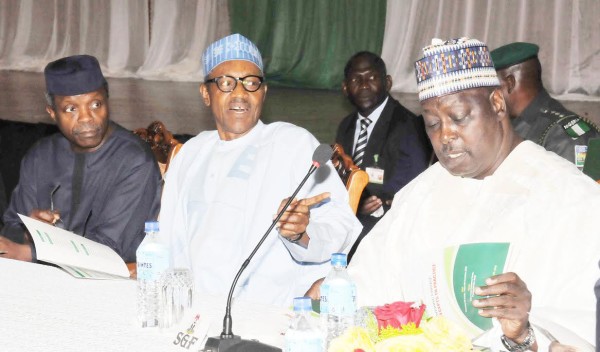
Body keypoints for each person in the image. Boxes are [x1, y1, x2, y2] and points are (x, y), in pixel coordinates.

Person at [308, 38, 600, 351]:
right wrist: (337, 292)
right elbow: (375, 275)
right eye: (432, 124)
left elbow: (579, 327)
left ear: (497, 104)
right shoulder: (424, 190)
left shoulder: (565, 194)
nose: (445, 135)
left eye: (459, 118)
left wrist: (524, 333)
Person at [159, 34, 361, 307]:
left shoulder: (294, 144)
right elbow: (167, 237)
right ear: (206, 94)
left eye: (251, 83)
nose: (240, 94)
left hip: (266, 310)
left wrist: (301, 232)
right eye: (226, 83)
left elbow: (341, 225)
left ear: (263, 93)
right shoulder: (192, 153)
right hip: (191, 307)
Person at [0, 55, 161, 263]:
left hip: (112, 283)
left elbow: (109, 248)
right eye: (71, 109)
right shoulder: (41, 156)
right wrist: (29, 232)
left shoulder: (133, 161)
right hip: (44, 276)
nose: (86, 118)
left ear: (107, 101)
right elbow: (12, 224)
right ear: (52, 113)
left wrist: (31, 252)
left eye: (95, 104)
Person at [335, 51, 431, 258]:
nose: (364, 85)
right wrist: (352, 204)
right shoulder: (346, 126)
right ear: (345, 88)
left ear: (387, 82)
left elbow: (413, 187)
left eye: (372, 77)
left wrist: (363, 203)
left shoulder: (408, 126)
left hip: (387, 227)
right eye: (356, 79)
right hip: (349, 218)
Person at [490, 42, 600, 167]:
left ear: (510, 83)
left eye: (490, 88)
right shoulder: (508, 124)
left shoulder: (565, 137)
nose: (486, 96)